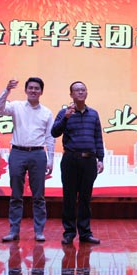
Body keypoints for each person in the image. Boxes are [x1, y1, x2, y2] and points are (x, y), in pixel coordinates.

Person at [0, 78, 55, 243]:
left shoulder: (46, 112)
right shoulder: (16, 106)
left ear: (41, 91)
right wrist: (7, 90)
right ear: (26, 90)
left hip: (38, 154)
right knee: (16, 195)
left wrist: (51, 159)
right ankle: (13, 231)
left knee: (39, 196)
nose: (33, 91)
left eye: (37, 88)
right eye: (31, 88)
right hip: (18, 152)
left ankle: (39, 231)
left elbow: (50, 137)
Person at [51, 81, 104, 245]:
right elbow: (54, 132)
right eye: (77, 90)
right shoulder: (64, 113)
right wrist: (66, 118)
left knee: (85, 198)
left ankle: (85, 233)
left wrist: (101, 159)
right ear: (71, 94)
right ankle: (69, 233)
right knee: (69, 197)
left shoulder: (93, 114)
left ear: (86, 93)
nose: (80, 92)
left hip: (89, 160)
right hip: (70, 159)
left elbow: (98, 137)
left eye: (83, 90)